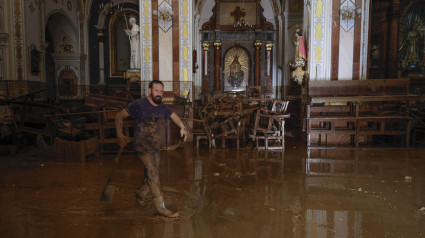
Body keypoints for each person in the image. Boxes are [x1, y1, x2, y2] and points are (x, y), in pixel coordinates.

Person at [115, 80, 188, 218]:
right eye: (156, 90)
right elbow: (119, 116)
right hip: (142, 147)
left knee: (150, 175)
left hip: (155, 149)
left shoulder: (162, 107)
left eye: (161, 91)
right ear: (149, 91)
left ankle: (140, 194)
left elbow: (174, 116)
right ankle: (161, 208)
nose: (159, 93)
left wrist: (182, 126)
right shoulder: (138, 104)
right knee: (154, 174)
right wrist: (119, 134)